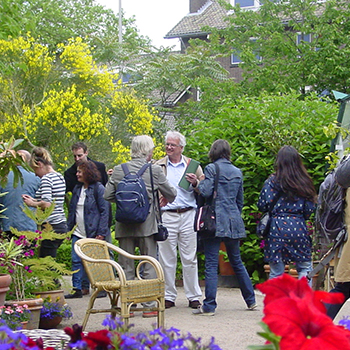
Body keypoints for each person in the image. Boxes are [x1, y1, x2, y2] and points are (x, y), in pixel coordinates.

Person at [104, 135, 177, 318]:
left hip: (124, 226)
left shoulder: (120, 170)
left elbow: (107, 195)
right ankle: (149, 304)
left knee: (126, 266)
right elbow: (172, 193)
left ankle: (128, 304)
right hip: (147, 226)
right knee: (149, 264)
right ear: (148, 151)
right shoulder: (154, 170)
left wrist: (125, 205)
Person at [187, 139, 256, 315]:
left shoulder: (211, 168)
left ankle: (210, 306)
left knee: (211, 263)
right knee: (237, 261)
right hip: (233, 220)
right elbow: (239, 201)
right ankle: (251, 300)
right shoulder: (237, 172)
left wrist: (197, 182)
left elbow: (207, 192)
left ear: (213, 152)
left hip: (214, 220)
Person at [156, 131, 203, 309]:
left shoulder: (192, 166)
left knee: (190, 257)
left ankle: (193, 296)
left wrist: (195, 184)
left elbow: (204, 190)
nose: (168, 147)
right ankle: (168, 295)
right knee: (167, 258)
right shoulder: (158, 165)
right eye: (167, 144)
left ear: (181, 147)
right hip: (167, 214)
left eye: (172, 145)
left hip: (188, 214)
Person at [257, 145, 317, 281]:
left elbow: (262, 205)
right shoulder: (304, 182)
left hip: (276, 228)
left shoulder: (271, 182)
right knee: (305, 267)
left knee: (276, 271)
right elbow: (309, 210)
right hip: (298, 227)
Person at [65, 160, 111, 299]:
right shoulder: (77, 189)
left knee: (96, 260)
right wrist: (69, 229)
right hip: (77, 231)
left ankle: (101, 287)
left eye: (80, 172)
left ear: (88, 173)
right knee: (76, 259)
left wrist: (101, 232)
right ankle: (78, 288)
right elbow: (72, 210)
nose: (77, 174)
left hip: (93, 231)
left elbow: (105, 211)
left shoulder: (98, 188)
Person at [22, 147, 67, 258]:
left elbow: (47, 204)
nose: (36, 174)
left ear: (39, 164)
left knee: (45, 263)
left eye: (35, 169)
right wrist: (34, 200)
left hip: (51, 225)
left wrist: (32, 204)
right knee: (50, 259)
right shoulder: (59, 176)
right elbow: (53, 199)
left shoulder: (46, 179)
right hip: (61, 224)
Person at [0, 150, 40, 234]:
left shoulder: (3, 178)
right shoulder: (36, 178)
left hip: (6, 225)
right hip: (27, 226)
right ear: (28, 161)